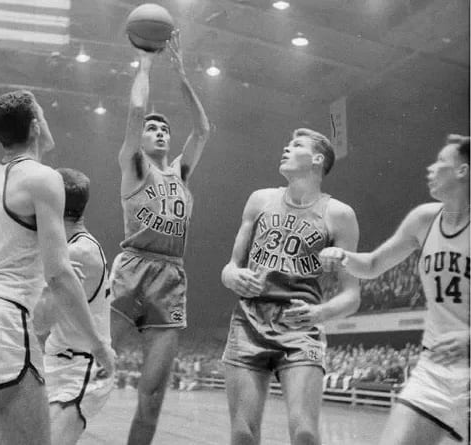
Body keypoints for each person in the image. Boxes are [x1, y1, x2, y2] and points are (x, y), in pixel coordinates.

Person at [0, 90, 115, 445]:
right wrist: (98, 345)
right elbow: (59, 273)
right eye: (45, 116)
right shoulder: (42, 177)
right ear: (35, 126)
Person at [320, 134, 470, 445]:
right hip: (436, 368)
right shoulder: (424, 220)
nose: (430, 168)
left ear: (462, 171)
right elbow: (374, 264)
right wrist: (344, 256)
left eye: (441, 161)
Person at [221, 128, 361, 445]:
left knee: (305, 432)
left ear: (317, 159)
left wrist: (319, 313)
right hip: (249, 319)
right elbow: (230, 268)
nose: (285, 148)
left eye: (296, 145)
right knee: (243, 433)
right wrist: (233, 276)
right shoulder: (260, 200)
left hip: (299, 324)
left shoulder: (340, 215)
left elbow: (352, 296)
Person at [109, 31, 211, 445]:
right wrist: (146, 64)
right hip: (132, 266)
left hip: (170, 277)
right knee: (89, 363)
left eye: (164, 128)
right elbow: (136, 110)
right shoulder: (133, 165)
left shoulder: (181, 173)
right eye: (153, 128)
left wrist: (183, 77)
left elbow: (202, 130)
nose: (160, 131)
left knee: (152, 396)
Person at [33, 168, 114, 445]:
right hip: (57, 363)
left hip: (81, 369)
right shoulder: (68, 247)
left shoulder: (78, 253)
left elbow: (41, 322)